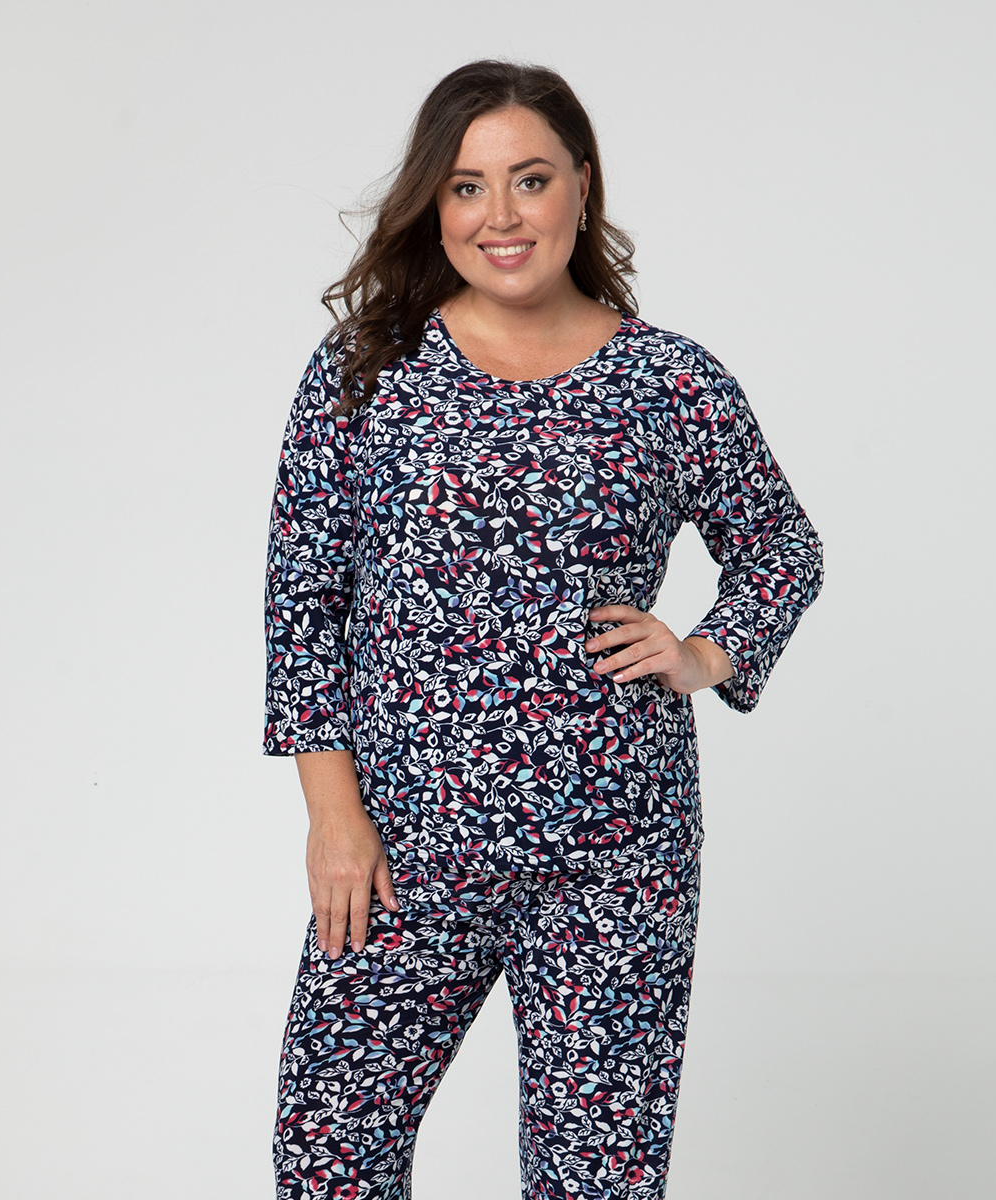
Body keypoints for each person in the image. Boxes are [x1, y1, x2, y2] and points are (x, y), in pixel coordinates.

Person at [263, 59, 823, 1200]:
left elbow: (782, 545)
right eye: (466, 187)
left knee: (597, 1180)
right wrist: (333, 816)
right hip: (406, 843)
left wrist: (705, 652)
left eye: (529, 179)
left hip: (617, 852)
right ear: (435, 204)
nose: (500, 216)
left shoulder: (669, 381)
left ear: (582, 183)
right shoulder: (369, 372)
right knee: (331, 1156)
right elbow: (303, 605)